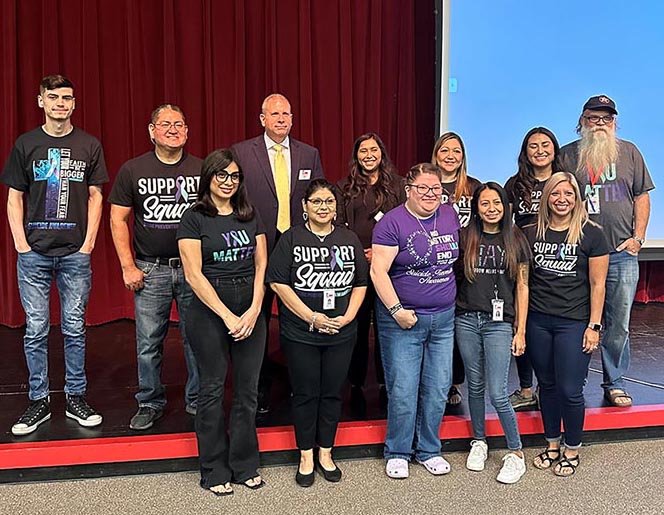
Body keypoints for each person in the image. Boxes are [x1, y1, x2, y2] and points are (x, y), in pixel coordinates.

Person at [2, 74, 108, 435]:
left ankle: (75, 397)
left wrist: (89, 243)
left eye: (67, 98)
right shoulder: (26, 144)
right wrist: (21, 243)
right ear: (41, 101)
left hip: (75, 254)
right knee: (35, 329)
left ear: (74, 103)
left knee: (75, 328)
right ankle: (39, 401)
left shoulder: (89, 145)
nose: (61, 103)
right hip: (34, 254)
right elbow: (14, 197)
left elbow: (96, 196)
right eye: (54, 97)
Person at [177, 149, 267, 496]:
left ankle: (244, 465)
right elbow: (194, 275)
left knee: (247, 392)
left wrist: (256, 307)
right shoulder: (194, 217)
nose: (228, 182)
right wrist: (228, 316)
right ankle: (214, 469)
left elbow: (261, 264)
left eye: (234, 176)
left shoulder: (249, 213)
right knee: (212, 390)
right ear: (209, 178)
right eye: (222, 175)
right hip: (209, 308)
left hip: (250, 304)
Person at [266, 178, 367, 487]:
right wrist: (311, 316)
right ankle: (306, 455)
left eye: (329, 202)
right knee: (307, 394)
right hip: (301, 333)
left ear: (336, 207)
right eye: (317, 202)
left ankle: (326, 452)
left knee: (333, 393)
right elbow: (278, 282)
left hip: (341, 332)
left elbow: (361, 283)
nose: (323, 207)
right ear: (304, 207)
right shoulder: (291, 239)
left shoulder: (348, 239)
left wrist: (349, 317)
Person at [109, 104, 202, 430]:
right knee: (149, 342)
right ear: (152, 131)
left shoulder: (201, 170)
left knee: (197, 339)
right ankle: (149, 402)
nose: (173, 129)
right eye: (165, 124)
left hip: (193, 270)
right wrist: (127, 266)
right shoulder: (133, 170)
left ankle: (197, 400)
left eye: (179, 124)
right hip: (151, 269)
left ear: (187, 131)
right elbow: (118, 218)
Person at [232, 93, 325, 414]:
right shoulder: (242, 153)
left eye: (286, 113)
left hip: (298, 251)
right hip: (255, 247)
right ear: (262, 119)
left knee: (297, 320)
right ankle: (256, 391)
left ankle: (301, 387)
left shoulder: (308, 154)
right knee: (256, 320)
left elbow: (318, 199)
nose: (281, 119)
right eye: (275, 114)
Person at [560, 95, 655, 408]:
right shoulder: (567, 155)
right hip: (577, 256)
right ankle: (575, 382)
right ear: (581, 121)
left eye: (606, 118)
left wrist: (637, 239)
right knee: (575, 321)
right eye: (593, 118)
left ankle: (614, 382)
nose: (600, 124)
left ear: (614, 122)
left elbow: (641, 196)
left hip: (620, 254)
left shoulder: (629, 152)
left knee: (618, 325)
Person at [371, 163, 460, 479]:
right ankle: (397, 451)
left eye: (435, 188)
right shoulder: (392, 223)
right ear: (408, 190)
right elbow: (377, 271)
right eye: (422, 188)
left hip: (444, 320)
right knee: (404, 390)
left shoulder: (450, 215)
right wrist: (396, 310)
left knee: (437, 389)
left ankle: (428, 450)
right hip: (403, 320)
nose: (430, 194)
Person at [524, 172, 609, 477]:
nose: (562, 199)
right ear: (546, 197)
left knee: (570, 389)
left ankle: (572, 448)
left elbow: (598, 285)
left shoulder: (592, 234)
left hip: (574, 323)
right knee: (546, 386)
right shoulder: (531, 232)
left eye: (568, 194)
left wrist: (594, 326)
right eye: (556, 193)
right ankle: (551, 444)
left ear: (577, 198)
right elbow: (525, 283)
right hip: (538, 321)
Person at [455, 182, 531, 484]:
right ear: (476, 208)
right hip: (466, 319)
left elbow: (523, 287)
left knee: (498, 392)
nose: (491, 209)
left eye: (496, 203)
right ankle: (479, 441)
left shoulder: (516, 239)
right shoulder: (466, 237)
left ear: (505, 206)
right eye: (484, 204)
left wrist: (520, 330)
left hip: (500, 323)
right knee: (474, 385)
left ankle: (516, 453)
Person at [337, 133, 405, 414]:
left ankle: (386, 381)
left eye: (373, 149)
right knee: (358, 326)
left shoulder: (398, 186)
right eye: (362, 150)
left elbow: (405, 222)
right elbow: (340, 227)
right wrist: (361, 252)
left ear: (382, 153)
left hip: (391, 268)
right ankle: (355, 383)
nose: (368, 155)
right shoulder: (344, 187)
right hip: (357, 268)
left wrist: (381, 253)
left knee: (388, 326)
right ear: (356, 156)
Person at [504, 127, 564, 411]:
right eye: (533, 146)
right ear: (525, 152)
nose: (539, 150)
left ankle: (546, 387)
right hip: (525, 263)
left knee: (551, 327)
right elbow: (504, 223)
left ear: (554, 148)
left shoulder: (566, 181)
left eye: (545, 145)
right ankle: (526, 388)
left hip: (559, 262)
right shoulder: (515, 185)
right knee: (523, 323)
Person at [431, 131, 481, 406]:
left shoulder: (473, 187)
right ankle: (434, 380)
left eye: (456, 152)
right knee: (437, 326)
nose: (450, 156)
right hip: (433, 266)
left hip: (467, 266)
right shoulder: (425, 185)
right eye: (445, 151)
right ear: (436, 154)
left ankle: (453, 383)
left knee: (459, 327)